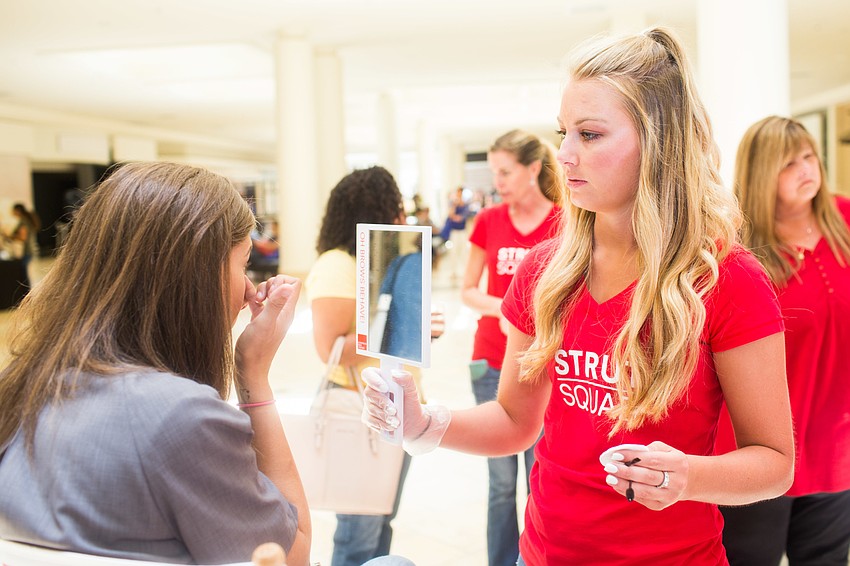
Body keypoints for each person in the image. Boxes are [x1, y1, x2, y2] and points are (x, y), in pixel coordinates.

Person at [362, 27, 794, 565]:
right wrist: (425, 424)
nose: (563, 155)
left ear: (660, 143)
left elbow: (775, 464)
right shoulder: (547, 272)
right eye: (563, 131)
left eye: (589, 135)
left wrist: (689, 476)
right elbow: (516, 421)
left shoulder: (727, 279)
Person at [0, 162, 312, 565]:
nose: (249, 289)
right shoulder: (183, 418)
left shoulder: (20, 382)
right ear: (198, 275)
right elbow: (296, 552)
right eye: (243, 264)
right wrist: (253, 375)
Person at [715, 116, 850, 566]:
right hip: (758, 451)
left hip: (836, 446)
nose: (806, 169)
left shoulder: (845, 221)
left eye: (810, 157)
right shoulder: (735, 252)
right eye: (789, 163)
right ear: (761, 173)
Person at [306, 166, 417, 566]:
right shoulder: (338, 264)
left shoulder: (382, 263)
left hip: (395, 406)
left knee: (383, 520)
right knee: (359, 531)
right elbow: (330, 346)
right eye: (395, 208)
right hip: (359, 404)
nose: (401, 218)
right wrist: (400, 322)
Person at [461, 129, 563, 566]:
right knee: (501, 483)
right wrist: (504, 310)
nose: (498, 181)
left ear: (533, 169)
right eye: (494, 172)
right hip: (490, 360)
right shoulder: (488, 221)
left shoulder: (565, 219)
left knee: (540, 476)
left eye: (506, 171)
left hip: (545, 365)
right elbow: (468, 289)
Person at [7, 203, 40, 288]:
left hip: (26, 251)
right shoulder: (27, 220)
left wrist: (11, 236)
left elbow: (23, 237)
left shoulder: (23, 221)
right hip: (29, 250)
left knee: (23, 274)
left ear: (18, 210)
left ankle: (25, 293)